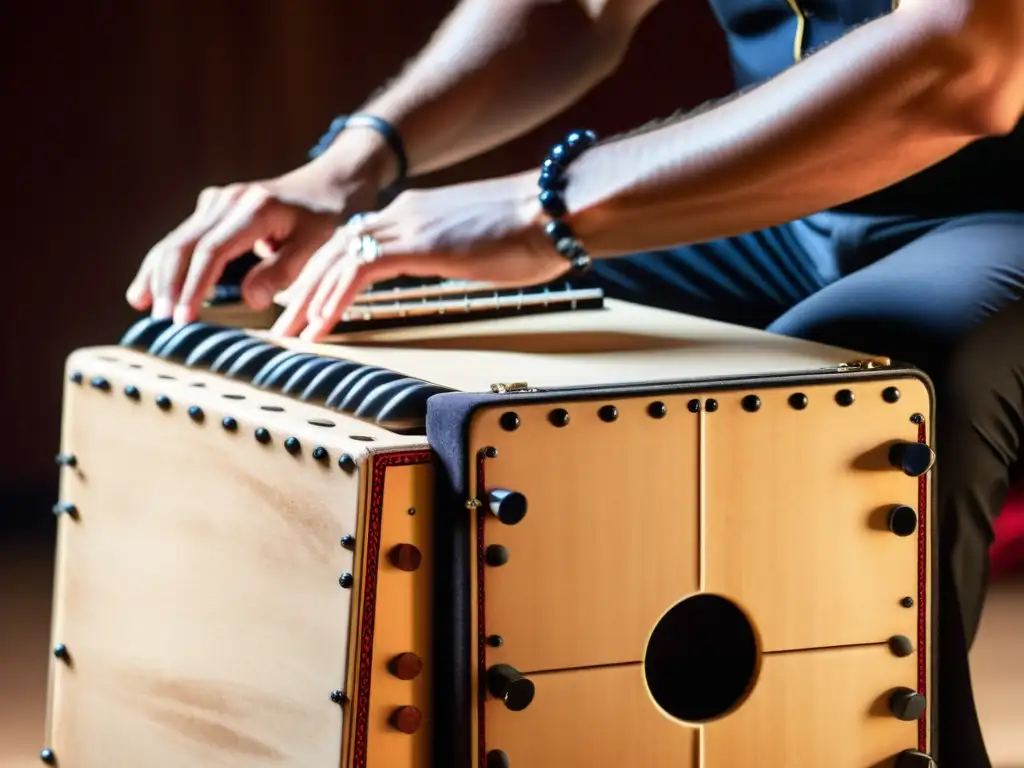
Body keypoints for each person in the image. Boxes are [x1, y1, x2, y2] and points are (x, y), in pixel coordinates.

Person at [125, 0, 1023, 764]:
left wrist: (536, 211)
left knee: (849, 397)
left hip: (1004, 206)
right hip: (809, 207)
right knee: (390, 324)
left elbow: (964, 57)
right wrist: (345, 173)